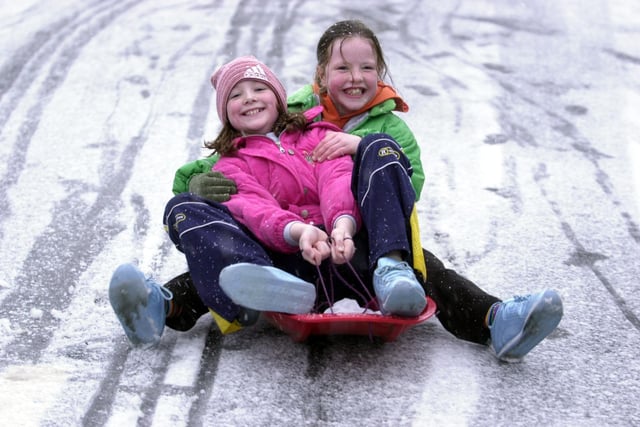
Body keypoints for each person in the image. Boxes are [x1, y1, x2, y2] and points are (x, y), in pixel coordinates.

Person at [137, 20, 563, 361]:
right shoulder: (298, 112)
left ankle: (495, 319)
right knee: (213, 226)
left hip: (372, 238)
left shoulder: (389, 130)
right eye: (342, 68)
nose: (355, 78)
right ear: (321, 74)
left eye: (366, 68)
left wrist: (360, 153)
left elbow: (403, 190)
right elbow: (238, 176)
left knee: (426, 266)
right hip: (295, 243)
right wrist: (193, 184)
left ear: (380, 72)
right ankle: (170, 304)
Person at [109, 56, 428, 348]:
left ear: (278, 98)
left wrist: (342, 225)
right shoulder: (230, 164)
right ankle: (256, 283)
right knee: (181, 209)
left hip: (349, 252)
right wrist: (299, 232)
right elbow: (255, 210)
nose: (248, 98)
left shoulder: (317, 135)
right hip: (293, 266)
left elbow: (336, 179)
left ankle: (392, 272)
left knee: (379, 145)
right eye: (235, 95)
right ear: (226, 114)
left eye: (258, 88)